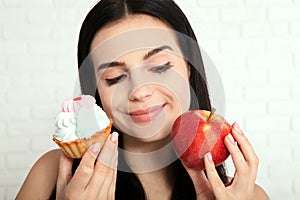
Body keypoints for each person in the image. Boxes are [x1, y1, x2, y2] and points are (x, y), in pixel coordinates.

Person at [16, 0, 269, 199]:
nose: (139, 91)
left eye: (159, 67)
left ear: (189, 68)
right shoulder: (51, 174)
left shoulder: (249, 197)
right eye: (114, 77)